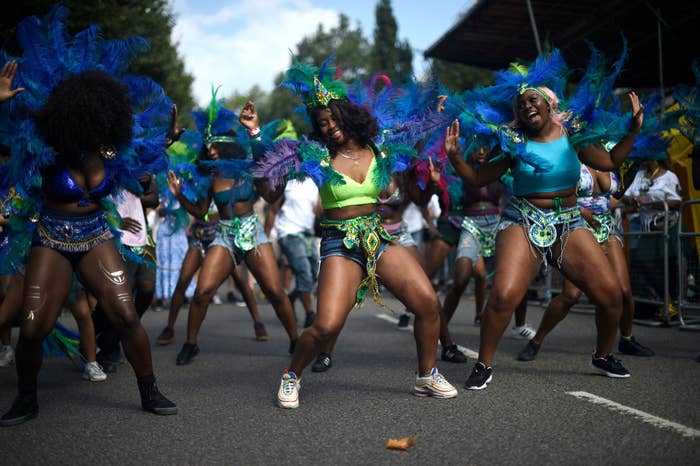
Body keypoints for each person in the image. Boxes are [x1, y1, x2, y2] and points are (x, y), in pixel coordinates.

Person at [255, 59, 458, 408]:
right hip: (339, 242)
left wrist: (434, 113)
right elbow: (269, 191)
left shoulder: (378, 147)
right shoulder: (315, 156)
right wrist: (256, 138)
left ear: (348, 116)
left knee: (427, 305)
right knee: (326, 327)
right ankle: (292, 375)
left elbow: (413, 131)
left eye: (334, 119)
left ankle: (426, 376)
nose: (330, 127)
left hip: (378, 235)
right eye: (322, 123)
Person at [0, 70, 177, 426]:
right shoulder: (46, 149)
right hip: (51, 238)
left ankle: (149, 391)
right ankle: (26, 397)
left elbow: (145, 154)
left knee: (126, 316)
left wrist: (168, 138)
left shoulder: (110, 150)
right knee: (33, 328)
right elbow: (8, 143)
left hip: (96, 235)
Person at [446, 70, 644, 388]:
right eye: (520, 104)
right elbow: (478, 178)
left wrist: (633, 131)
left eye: (532, 99)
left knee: (611, 296)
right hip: (523, 220)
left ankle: (603, 354)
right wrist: (455, 157)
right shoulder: (514, 143)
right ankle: (483, 364)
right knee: (504, 296)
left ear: (550, 105)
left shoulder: (573, 135)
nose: (527, 107)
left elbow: (609, 161)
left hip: (569, 221)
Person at [167, 97, 298, 366]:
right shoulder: (211, 178)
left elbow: (271, 198)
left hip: (252, 232)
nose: (211, 151)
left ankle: (296, 340)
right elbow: (200, 210)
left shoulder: (249, 171)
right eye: (208, 147)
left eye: (215, 146)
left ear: (226, 147)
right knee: (203, 292)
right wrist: (179, 196)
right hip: (224, 234)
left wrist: (282, 181)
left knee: (275, 291)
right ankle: (191, 344)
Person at [518, 163, 654, 361]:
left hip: (606, 228)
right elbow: (556, 196)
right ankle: (536, 341)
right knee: (571, 295)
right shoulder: (569, 157)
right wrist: (581, 211)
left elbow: (611, 197)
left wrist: (628, 188)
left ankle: (626, 339)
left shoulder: (607, 159)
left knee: (623, 292)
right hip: (579, 228)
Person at [265, 178, 321, 331]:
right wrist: (265, 239)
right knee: (303, 272)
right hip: (288, 232)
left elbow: (319, 209)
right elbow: (272, 209)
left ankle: (291, 298)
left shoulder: (314, 181)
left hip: (308, 234)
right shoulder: (286, 181)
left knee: (315, 274)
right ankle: (310, 313)